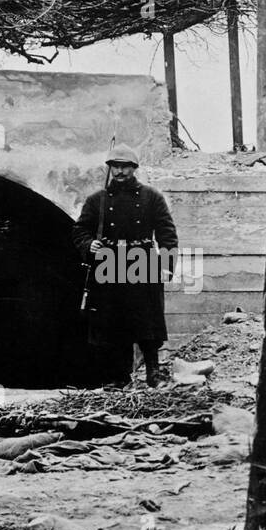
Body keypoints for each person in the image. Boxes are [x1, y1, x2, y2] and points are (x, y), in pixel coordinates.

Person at [73, 144, 179, 387]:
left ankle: (153, 373)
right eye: (115, 167)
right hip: (109, 260)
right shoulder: (96, 201)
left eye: (125, 167)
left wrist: (166, 264)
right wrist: (89, 244)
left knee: (147, 320)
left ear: (134, 169)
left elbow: (167, 233)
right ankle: (117, 378)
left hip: (143, 259)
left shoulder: (152, 197)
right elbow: (80, 229)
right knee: (110, 321)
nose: (120, 172)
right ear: (110, 169)